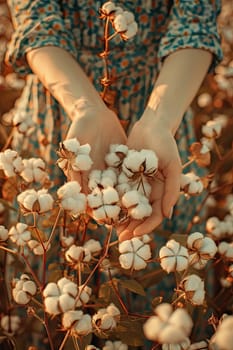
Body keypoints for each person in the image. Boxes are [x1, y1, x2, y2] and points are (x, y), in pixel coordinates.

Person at [5, 0, 222, 348]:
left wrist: (160, 120)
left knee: (157, 285)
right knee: (50, 301)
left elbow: (194, 20)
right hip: (64, 118)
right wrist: (86, 106)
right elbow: (37, 20)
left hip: (163, 117)